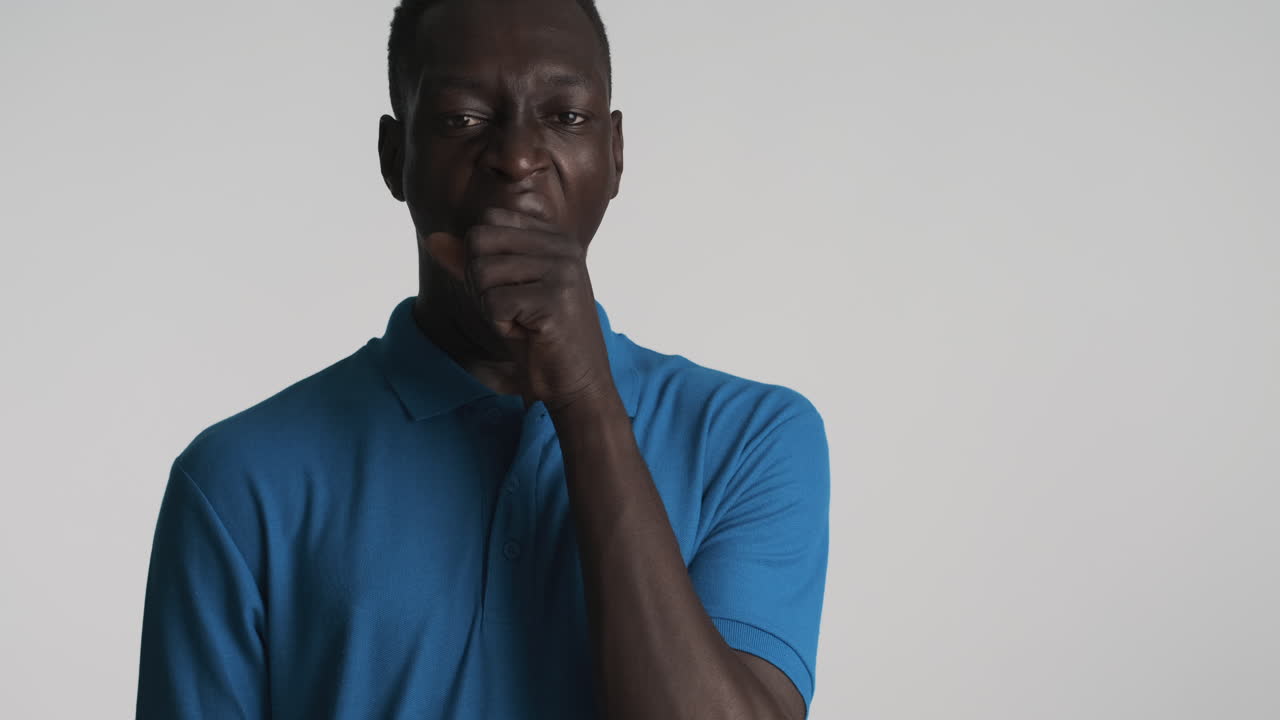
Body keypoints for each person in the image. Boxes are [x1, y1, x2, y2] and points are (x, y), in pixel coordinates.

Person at [135, 0, 830, 718]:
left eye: (566, 116)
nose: (518, 156)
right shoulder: (238, 481)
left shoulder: (751, 439)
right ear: (393, 157)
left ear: (615, 153)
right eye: (463, 119)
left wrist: (585, 396)